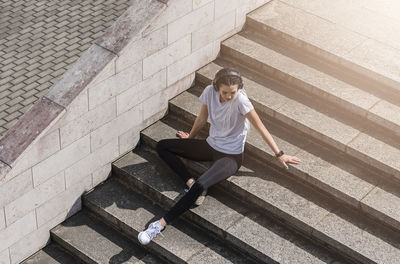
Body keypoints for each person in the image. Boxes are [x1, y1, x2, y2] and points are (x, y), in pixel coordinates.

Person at [138, 68, 300, 245]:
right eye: (225, 92)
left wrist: (280, 155)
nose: (229, 96)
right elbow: (201, 119)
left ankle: (159, 225)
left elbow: (261, 128)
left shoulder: (241, 101)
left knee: (201, 184)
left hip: (231, 156)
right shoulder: (209, 91)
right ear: (217, 87)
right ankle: (189, 181)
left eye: (233, 92)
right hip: (211, 145)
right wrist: (189, 140)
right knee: (163, 146)